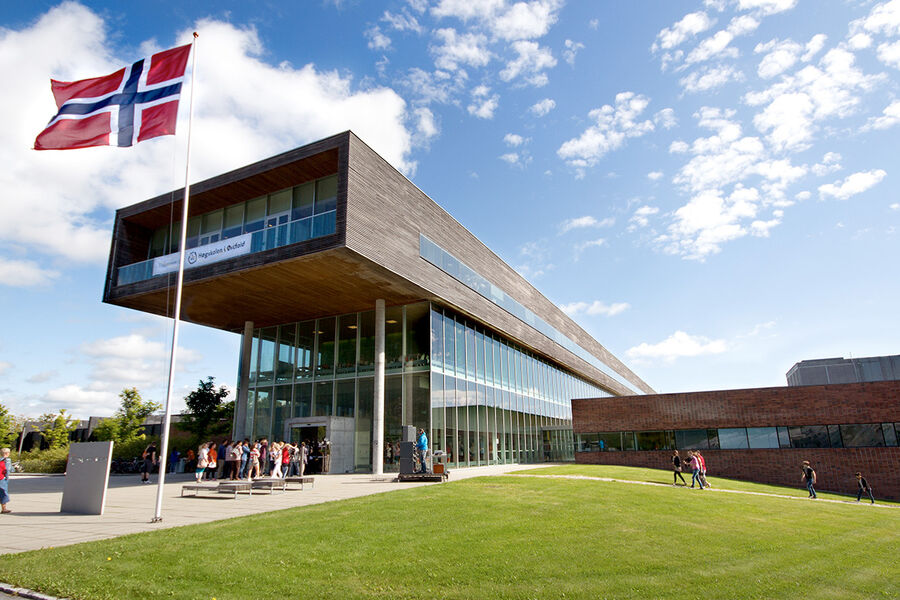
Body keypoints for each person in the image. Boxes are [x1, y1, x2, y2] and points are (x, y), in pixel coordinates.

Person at [0, 447, 12, 514]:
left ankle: (4, 508)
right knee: (3, 493)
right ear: (6, 453)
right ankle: (4, 509)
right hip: (2, 478)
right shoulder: (7, 460)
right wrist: (7, 477)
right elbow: (7, 470)